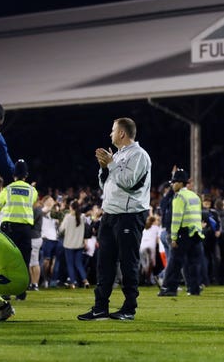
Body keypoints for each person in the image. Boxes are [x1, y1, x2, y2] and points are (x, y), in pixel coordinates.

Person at [78, 117, 151, 321]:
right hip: (110, 214)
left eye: (113, 130)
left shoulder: (139, 155)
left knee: (128, 262)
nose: (110, 134)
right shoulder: (117, 156)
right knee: (104, 263)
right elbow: (106, 185)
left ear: (121, 133)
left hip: (129, 215)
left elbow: (128, 182)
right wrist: (104, 167)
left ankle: (129, 308)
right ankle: (100, 307)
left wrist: (111, 164)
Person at [0, 159, 38, 300]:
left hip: (9, 229)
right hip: (25, 229)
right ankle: (21, 292)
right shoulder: (32, 191)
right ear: (26, 175)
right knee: (24, 260)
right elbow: (32, 202)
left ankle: (6, 291)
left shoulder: (8, 189)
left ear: (14, 175)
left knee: (7, 261)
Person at [157, 169, 204, 296]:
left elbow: (176, 218)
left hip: (183, 233)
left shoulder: (179, 197)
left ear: (180, 183)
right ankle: (194, 289)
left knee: (175, 262)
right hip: (196, 233)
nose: (172, 185)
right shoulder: (194, 196)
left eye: (174, 183)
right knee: (193, 263)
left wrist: (173, 237)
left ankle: (169, 288)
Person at [58, 200, 90, 289]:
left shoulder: (68, 217)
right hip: (79, 244)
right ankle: (85, 281)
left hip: (69, 244)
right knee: (79, 264)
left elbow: (61, 229)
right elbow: (87, 229)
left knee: (70, 264)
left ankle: (73, 282)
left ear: (71, 208)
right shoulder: (83, 217)